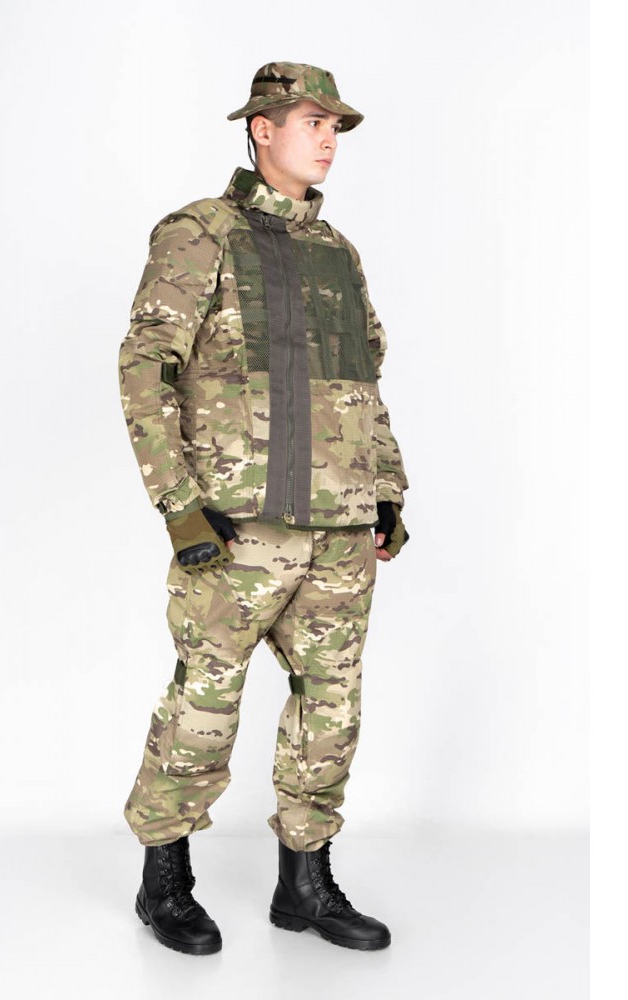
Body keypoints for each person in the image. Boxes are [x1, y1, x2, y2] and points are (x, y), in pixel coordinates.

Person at [118, 61, 410, 955]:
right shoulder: (198, 234)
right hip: (236, 531)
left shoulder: (338, 252)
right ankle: (164, 881)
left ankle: (304, 886)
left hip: (339, 533)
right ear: (262, 128)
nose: (328, 139)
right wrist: (180, 507)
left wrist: (386, 489)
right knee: (204, 705)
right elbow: (145, 370)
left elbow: (364, 383)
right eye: (312, 121)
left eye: (334, 126)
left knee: (332, 709)